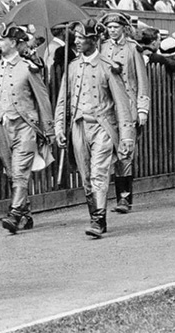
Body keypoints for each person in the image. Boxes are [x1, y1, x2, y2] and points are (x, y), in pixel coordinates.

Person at [54, 18, 135, 238]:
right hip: (78, 127)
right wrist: (59, 128)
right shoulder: (72, 67)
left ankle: (98, 219)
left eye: (81, 38)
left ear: (94, 40)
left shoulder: (108, 67)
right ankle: (95, 215)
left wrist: (127, 136)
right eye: (76, 38)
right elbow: (63, 99)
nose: (77, 42)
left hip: (103, 127)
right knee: (86, 175)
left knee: (99, 172)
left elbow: (122, 103)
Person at [0, 24, 55, 233]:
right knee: (12, 173)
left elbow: (43, 100)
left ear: (14, 42)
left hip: (25, 127)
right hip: (2, 127)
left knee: (20, 172)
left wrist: (48, 130)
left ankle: (14, 214)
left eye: (2, 40)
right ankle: (25, 214)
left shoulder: (29, 68)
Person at [99, 12, 150, 213]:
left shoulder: (132, 49)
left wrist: (142, 107)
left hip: (128, 105)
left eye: (115, 27)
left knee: (125, 151)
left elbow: (142, 80)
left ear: (123, 28)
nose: (112, 30)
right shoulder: (101, 48)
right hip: (108, 106)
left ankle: (124, 198)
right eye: (109, 27)